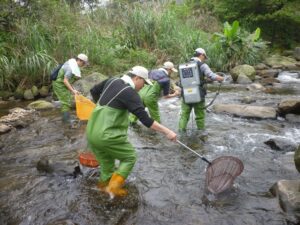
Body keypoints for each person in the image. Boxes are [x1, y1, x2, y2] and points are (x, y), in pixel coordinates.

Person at [86, 66, 177, 198]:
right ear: (137, 78)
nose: (143, 86)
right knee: (129, 157)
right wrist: (167, 131)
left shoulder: (112, 80)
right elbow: (146, 120)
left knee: (107, 165)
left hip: (92, 130)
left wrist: (100, 106)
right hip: (106, 135)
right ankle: (112, 188)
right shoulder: (130, 93)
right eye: (144, 83)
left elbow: (94, 91)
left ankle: (101, 189)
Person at [178, 48, 224, 132]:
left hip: (185, 94)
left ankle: (181, 132)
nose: (204, 59)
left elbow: (180, 81)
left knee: (184, 115)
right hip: (198, 95)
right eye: (204, 57)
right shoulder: (202, 65)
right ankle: (201, 133)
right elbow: (211, 76)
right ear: (201, 55)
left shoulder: (184, 65)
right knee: (200, 116)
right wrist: (221, 78)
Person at [52, 53, 88, 123]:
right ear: (80, 60)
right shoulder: (71, 68)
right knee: (66, 102)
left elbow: (68, 81)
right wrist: (73, 91)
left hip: (62, 83)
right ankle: (66, 121)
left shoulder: (72, 63)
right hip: (59, 84)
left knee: (67, 99)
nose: (83, 65)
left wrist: (73, 90)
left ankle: (59, 106)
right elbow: (65, 81)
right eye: (83, 63)